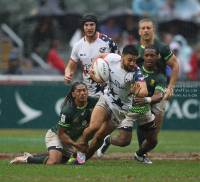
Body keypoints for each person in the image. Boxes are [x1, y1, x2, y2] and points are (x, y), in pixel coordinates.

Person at [98, 19, 179, 163]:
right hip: (138, 91)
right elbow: (120, 65)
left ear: (153, 30)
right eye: (143, 28)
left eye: (149, 28)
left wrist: (171, 87)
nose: (146, 30)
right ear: (139, 31)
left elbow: (175, 65)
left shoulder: (162, 47)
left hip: (158, 89)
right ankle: (142, 155)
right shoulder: (134, 49)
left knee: (154, 132)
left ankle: (141, 152)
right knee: (130, 134)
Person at [74, 44, 148, 164]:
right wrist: (92, 68)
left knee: (99, 136)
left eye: (134, 60)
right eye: (129, 60)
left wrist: (138, 91)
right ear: (122, 57)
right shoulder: (113, 58)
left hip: (121, 109)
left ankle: (83, 158)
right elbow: (100, 56)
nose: (132, 63)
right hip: (107, 99)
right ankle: (80, 148)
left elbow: (145, 90)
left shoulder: (136, 72)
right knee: (94, 127)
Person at [97, 45, 167, 164]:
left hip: (144, 110)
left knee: (153, 141)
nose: (149, 58)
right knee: (124, 141)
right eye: (146, 55)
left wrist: (146, 100)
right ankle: (108, 140)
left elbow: (159, 95)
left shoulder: (160, 76)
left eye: (152, 56)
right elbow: (114, 69)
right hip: (127, 109)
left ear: (157, 57)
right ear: (143, 57)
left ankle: (139, 155)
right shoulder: (133, 67)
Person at [10, 82, 99, 165]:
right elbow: (61, 134)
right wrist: (76, 145)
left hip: (69, 141)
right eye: (79, 91)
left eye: (84, 90)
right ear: (73, 94)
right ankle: (26, 159)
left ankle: (30, 156)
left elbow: (105, 104)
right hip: (56, 135)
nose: (82, 93)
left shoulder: (94, 102)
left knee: (61, 160)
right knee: (54, 161)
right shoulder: (68, 111)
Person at [64, 13, 120, 97]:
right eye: (86, 25)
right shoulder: (78, 45)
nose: (89, 28)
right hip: (89, 93)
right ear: (83, 27)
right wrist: (67, 75)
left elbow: (121, 63)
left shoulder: (109, 42)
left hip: (108, 92)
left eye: (91, 25)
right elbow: (70, 67)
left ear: (96, 26)